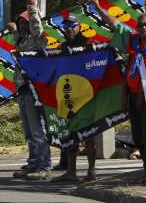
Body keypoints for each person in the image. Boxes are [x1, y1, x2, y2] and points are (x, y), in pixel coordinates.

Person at [89, 0, 146, 187]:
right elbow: (115, 24)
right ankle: (145, 170)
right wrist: (99, 9)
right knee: (138, 136)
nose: (144, 28)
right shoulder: (133, 41)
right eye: (140, 25)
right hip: (133, 96)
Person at [10, 0, 52, 181]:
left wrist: (31, 3)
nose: (23, 26)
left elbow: (37, 25)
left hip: (35, 91)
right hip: (22, 91)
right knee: (28, 133)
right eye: (21, 24)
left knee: (38, 131)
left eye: (25, 23)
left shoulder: (38, 40)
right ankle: (33, 163)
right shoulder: (21, 43)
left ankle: (44, 166)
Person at [51, 13, 97, 183]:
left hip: (86, 97)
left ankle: (91, 171)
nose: (69, 28)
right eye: (66, 26)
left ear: (79, 26)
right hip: (68, 96)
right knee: (70, 134)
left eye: (72, 25)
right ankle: (71, 171)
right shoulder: (61, 47)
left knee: (89, 134)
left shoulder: (89, 43)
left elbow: (96, 67)